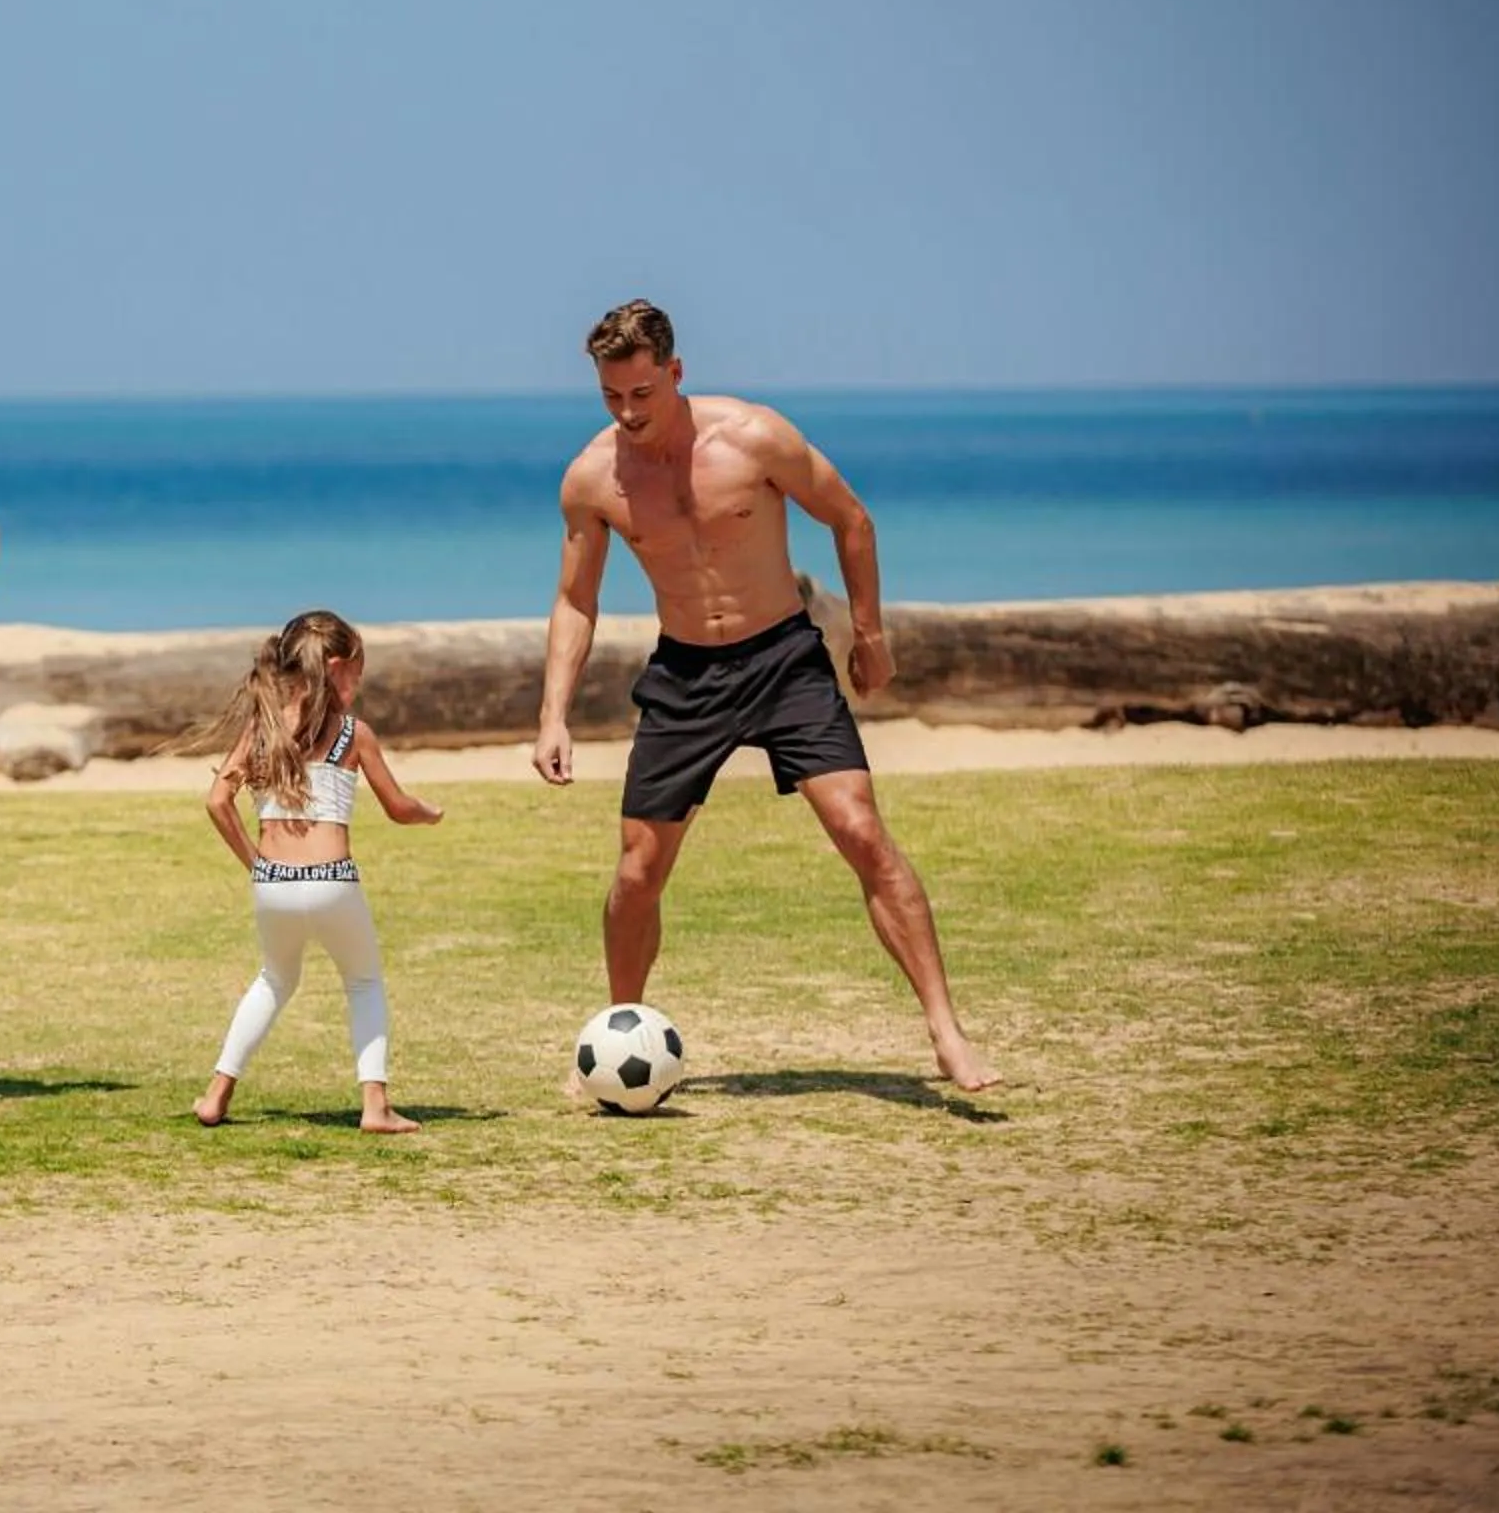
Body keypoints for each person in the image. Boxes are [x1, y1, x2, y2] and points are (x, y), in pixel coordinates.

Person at [533, 301, 999, 1092]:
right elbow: (577, 600)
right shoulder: (593, 478)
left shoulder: (754, 438)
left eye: (642, 394)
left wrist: (871, 638)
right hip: (685, 674)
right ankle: (621, 1033)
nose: (628, 412)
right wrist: (554, 714)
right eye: (612, 397)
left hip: (784, 658)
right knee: (639, 870)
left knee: (861, 831)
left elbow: (851, 520)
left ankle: (946, 1032)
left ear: (676, 373)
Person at [189, 610, 444, 1134]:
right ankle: (375, 1106)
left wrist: (257, 865)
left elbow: (218, 801)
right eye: (357, 671)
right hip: (332, 882)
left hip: (274, 888)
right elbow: (397, 807)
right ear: (334, 667)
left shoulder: (261, 728)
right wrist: (428, 811)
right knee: (364, 981)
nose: (360, 682)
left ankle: (217, 1094)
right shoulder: (353, 734)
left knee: (274, 980)